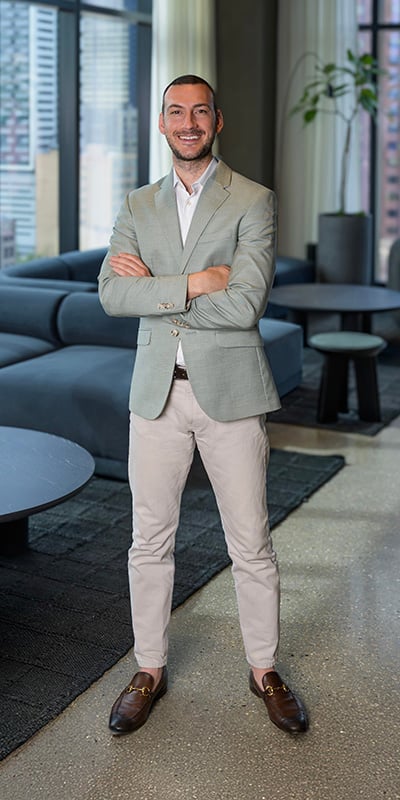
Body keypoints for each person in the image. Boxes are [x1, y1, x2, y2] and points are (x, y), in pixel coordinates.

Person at [98, 74, 308, 736]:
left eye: (199, 112)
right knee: (149, 540)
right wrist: (196, 281)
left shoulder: (252, 199)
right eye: (175, 112)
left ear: (217, 121)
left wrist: (157, 291)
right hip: (155, 394)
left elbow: (246, 304)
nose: (187, 122)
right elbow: (111, 295)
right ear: (162, 124)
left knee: (250, 542)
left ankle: (265, 670)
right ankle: (149, 670)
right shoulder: (138, 205)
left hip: (232, 396)